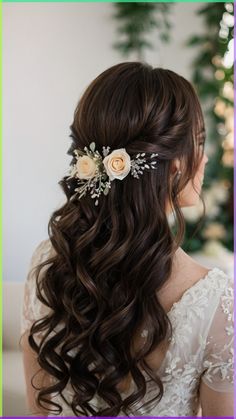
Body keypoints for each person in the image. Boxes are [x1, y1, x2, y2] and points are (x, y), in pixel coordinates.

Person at [20, 62, 234, 417]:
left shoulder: (47, 263)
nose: (206, 156)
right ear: (174, 167)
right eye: (198, 142)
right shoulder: (217, 304)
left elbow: (37, 409)